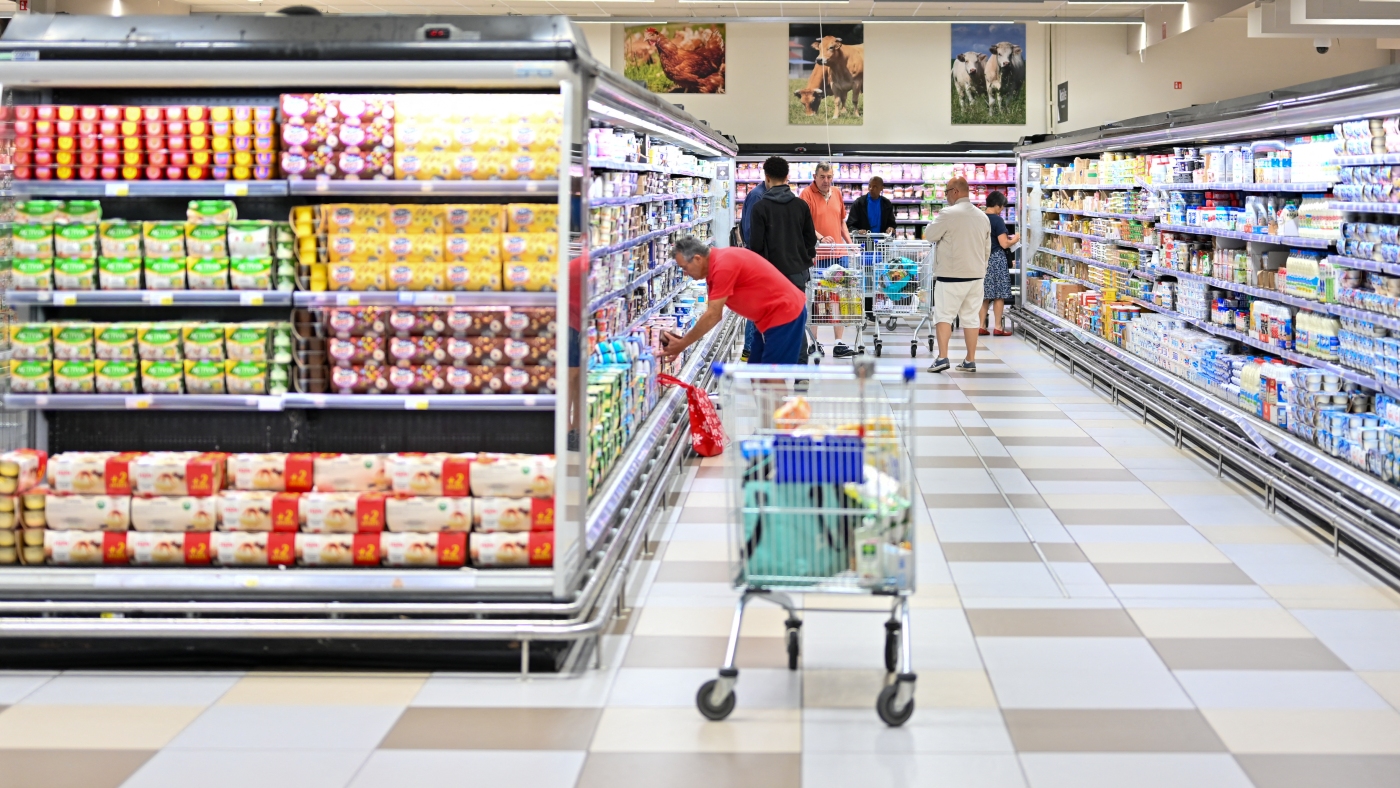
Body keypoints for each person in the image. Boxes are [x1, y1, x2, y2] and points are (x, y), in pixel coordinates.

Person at [660, 236, 808, 365]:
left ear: (698, 259)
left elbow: (713, 315)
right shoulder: (718, 264)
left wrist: (683, 343)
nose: (685, 273)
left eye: (684, 268)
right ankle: (765, 397)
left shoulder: (723, 266)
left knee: (771, 377)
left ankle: (779, 398)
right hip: (767, 317)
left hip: (784, 313)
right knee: (757, 372)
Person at [748, 156, 817, 363]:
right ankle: (801, 370)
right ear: (787, 177)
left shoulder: (760, 208)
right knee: (797, 321)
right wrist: (802, 261)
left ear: (766, 178)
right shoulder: (800, 206)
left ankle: (773, 368)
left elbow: (756, 246)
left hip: (771, 278)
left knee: (771, 322)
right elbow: (811, 240)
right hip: (797, 275)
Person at [922, 176, 990, 373]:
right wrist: (980, 270)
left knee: (944, 316)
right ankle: (970, 360)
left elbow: (931, 234)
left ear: (956, 192)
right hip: (976, 276)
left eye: (946, 192)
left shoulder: (948, 214)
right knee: (971, 318)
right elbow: (987, 249)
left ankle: (942, 357)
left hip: (950, 276)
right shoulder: (982, 216)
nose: (946, 196)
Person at [800, 163, 856, 359]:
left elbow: (842, 222)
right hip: (817, 256)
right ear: (814, 176)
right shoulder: (806, 195)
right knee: (815, 300)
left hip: (839, 254)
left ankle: (839, 343)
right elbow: (804, 223)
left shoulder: (837, 193)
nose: (826, 181)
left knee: (839, 298)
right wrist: (820, 237)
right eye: (822, 176)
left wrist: (849, 244)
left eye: (829, 177)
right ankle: (814, 344)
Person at [979, 191, 1019, 337]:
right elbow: (1004, 243)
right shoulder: (997, 220)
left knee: (984, 295)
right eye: (1001, 207)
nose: (1002, 210)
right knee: (999, 296)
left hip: (982, 259)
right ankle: (997, 327)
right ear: (996, 205)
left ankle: (981, 326)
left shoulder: (979, 218)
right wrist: (1016, 239)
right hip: (996, 259)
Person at [736, 178, 768, 362]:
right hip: (757, 258)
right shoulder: (758, 195)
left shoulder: (761, 194)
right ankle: (748, 350)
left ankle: (752, 349)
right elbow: (749, 230)